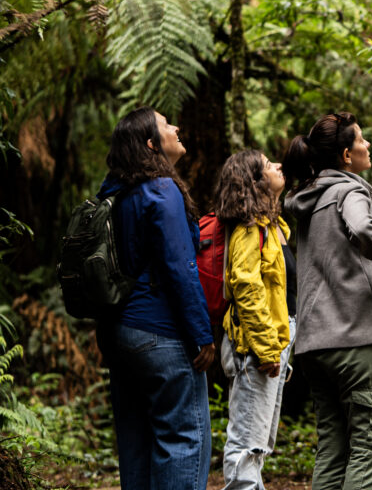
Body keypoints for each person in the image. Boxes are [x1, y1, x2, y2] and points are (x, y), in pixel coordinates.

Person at [282, 111, 372, 490]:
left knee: (333, 450)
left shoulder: (307, 201)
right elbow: (361, 227)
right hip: (358, 340)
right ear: (345, 154)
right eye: (361, 140)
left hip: (314, 346)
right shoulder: (350, 190)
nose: (367, 145)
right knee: (368, 450)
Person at [96, 106, 214, 490]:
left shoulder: (114, 194)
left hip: (120, 334)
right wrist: (202, 332)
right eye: (167, 125)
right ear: (152, 144)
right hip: (159, 332)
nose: (177, 128)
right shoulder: (161, 190)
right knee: (183, 437)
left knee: (137, 443)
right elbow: (179, 267)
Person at [215, 149, 296, 490]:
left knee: (258, 445)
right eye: (268, 165)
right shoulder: (249, 230)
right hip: (254, 349)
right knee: (247, 445)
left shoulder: (275, 228)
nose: (278, 165)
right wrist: (266, 349)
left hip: (273, 344)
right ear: (255, 182)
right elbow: (245, 286)